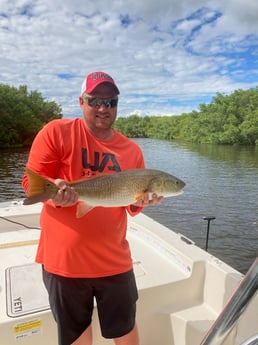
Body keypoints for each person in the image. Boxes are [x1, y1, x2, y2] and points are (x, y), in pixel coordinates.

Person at [22, 71, 163, 345]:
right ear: (81, 101)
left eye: (110, 102)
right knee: (76, 338)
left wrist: (141, 201)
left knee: (126, 333)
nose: (103, 108)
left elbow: (131, 206)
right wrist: (55, 194)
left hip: (115, 261)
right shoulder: (56, 131)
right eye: (95, 100)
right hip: (64, 263)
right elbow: (31, 182)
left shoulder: (132, 150)